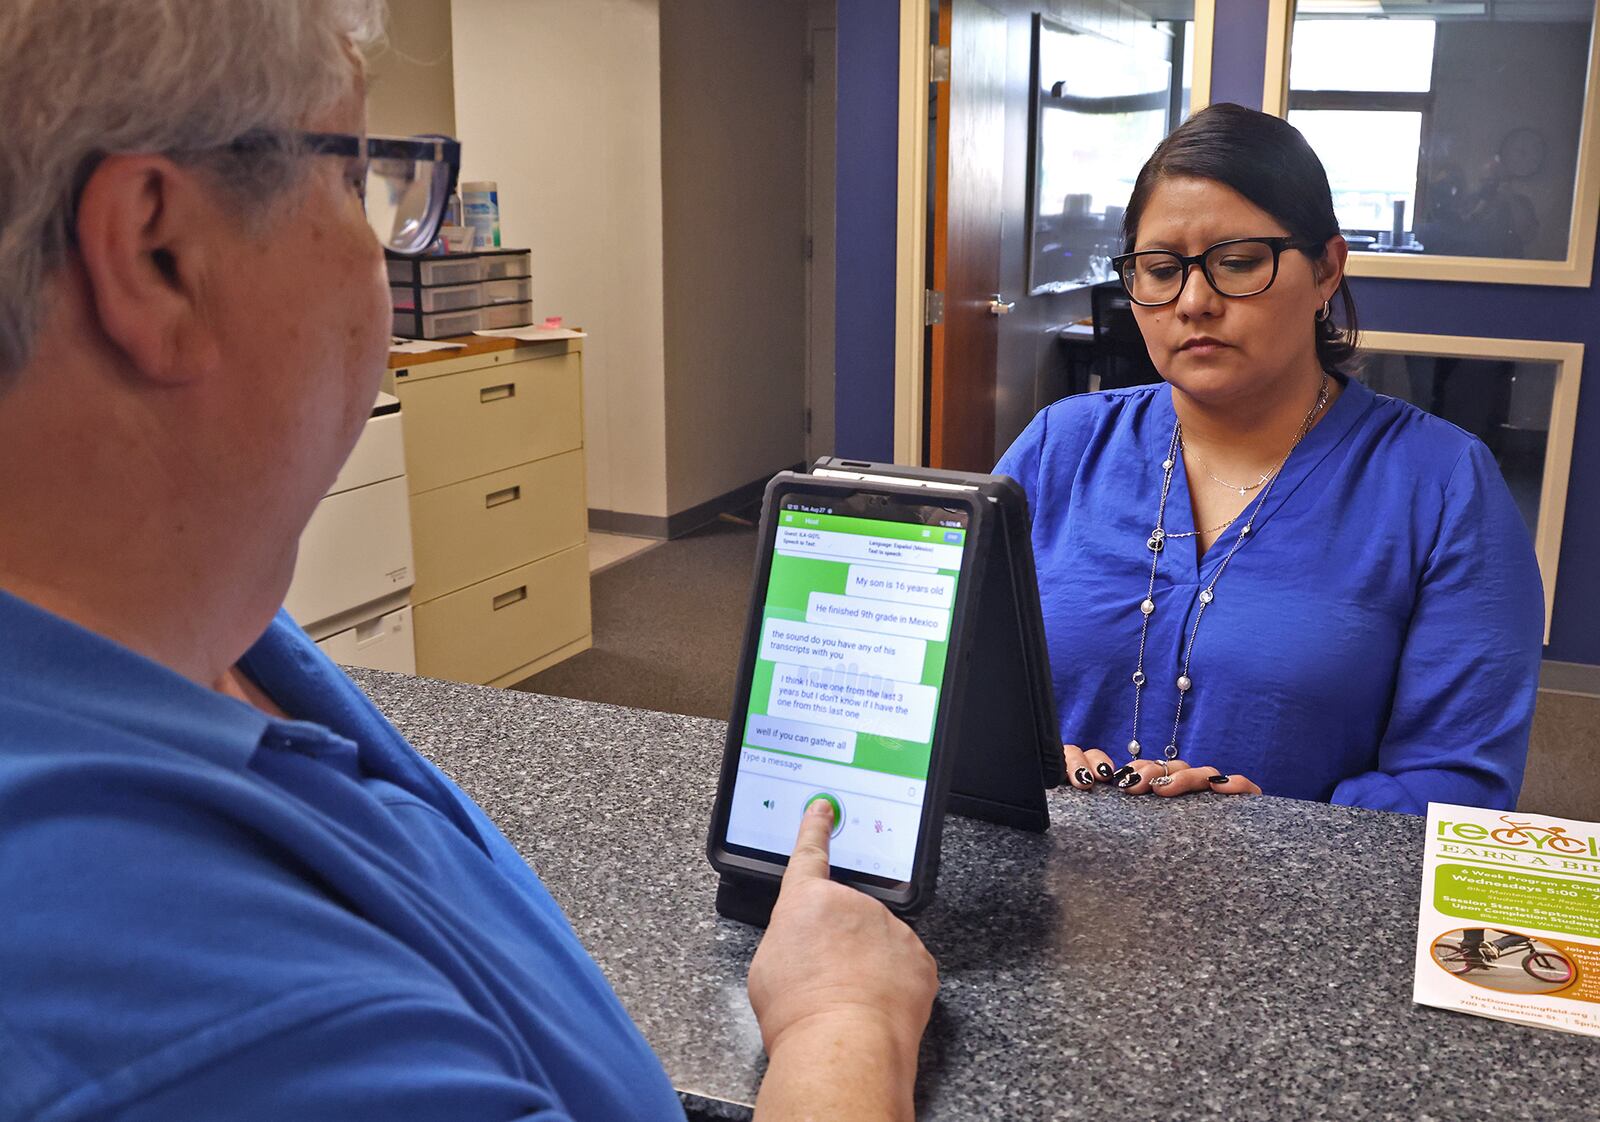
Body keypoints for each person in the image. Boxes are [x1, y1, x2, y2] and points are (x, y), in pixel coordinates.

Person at [0, 3, 935, 1119]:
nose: (385, 260)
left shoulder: (201, 625)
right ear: (158, 253)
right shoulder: (176, 1003)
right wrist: (844, 1023)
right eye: (356, 180)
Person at [996, 104, 1543, 814]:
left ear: (1326, 271)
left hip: (1299, 907)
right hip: (1053, 883)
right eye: (1160, 270)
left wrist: (1274, 831)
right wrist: (1031, 756)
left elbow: (1460, 781)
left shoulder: (1441, 486)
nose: (1193, 301)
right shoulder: (1060, 446)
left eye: (1238, 263)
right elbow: (954, 679)